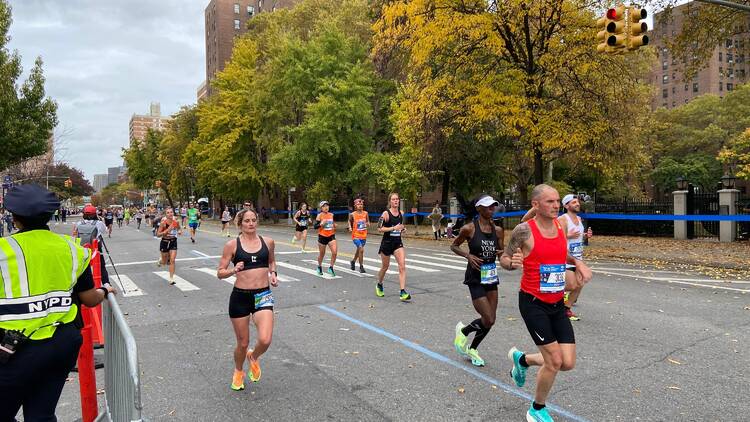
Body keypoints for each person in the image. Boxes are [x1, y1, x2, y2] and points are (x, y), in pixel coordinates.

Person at [0, 184, 116, 421]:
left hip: (12, 349)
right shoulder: (71, 249)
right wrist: (105, 290)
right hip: (61, 345)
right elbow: (89, 298)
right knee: (41, 414)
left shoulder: (4, 250)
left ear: (15, 218)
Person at [499, 184, 592, 422]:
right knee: (554, 361)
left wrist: (578, 263)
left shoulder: (561, 226)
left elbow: (561, 253)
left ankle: (523, 360)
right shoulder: (524, 231)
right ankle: (536, 409)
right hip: (533, 303)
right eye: (549, 201)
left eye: (557, 201)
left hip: (556, 303)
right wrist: (512, 263)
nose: (555, 205)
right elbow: (505, 257)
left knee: (567, 363)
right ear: (536, 205)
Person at [216, 208, 278, 391]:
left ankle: (254, 356)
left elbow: (272, 261)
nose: (251, 224)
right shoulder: (232, 245)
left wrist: (273, 273)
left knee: (265, 339)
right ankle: (238, 371)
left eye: (253, 220)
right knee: (242, 343)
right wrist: (233, 270)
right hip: (240, 297)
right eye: (247, 221)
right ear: (240, 224)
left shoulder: (268, 242)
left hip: (263, 295)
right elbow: (220, 273)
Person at [520, 194, 593, 321]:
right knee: (570, 285)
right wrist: (568, 235)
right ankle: (545, 292)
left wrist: (586, 235)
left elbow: (578, 237)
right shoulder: (562, 220)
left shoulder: (579, 219)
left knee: (580, 283)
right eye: (574, 202)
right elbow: (555, 234)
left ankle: (566, 308)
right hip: (563, 257)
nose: (577, 204)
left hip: (577, 258)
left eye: (578, 202)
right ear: (566, 205)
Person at [451, 194, 504, 367]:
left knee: (491, 320)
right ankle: (464, 331)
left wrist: (503, 254)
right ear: (479, 209)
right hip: (475, 277)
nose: (492, 209)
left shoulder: (498, 230)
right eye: (488, 206)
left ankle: (473, 348)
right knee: (487, 318)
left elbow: (501, 252)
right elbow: (454, 245)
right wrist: (468, 255)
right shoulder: (469, 229)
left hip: (490, 275)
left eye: (493, 206)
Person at [375, 192, 411, 301]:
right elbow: (379, 228)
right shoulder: (385, 214)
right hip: (386, 244)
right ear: (390, 201)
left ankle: (402, 291)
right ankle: (379, 284)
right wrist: (393, 228)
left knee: (402, 266)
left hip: (397, 243)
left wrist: (402, 229)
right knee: (385, 267)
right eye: (394, 199)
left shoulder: (401, 213)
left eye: (397, 199)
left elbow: (400, 226)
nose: (396, 201)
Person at [156, 208, 182, 285]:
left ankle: (171, 278)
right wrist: (167, 231)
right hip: (164, 242)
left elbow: (179, 229)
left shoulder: (176, 222)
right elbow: (158, 234)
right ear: (166, 215)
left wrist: (179, 231)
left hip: (173, 241)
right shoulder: (163, 223)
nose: (170, 214)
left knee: (172, 260)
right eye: (168, 213)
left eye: (171, 212)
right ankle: (161, 260)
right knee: (164, 262)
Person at [314, 201, 337, 276]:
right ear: (321, 208)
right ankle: (319, 266)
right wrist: (321, 224)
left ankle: (331, 267)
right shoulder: (319, 215)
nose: (326, 207)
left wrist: (334, 225)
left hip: (331, 235)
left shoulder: (331, 215)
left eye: (327, 206)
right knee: (322, 254)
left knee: (334, 252)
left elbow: (332, 223)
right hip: (322, 236)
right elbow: (315, 226)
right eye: (324, 206)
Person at [348, 198, 369, 273]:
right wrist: (350, 227)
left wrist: (367, 224)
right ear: (355, 206)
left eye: (361, 204)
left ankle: (353, 261)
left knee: (359, 250)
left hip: (363, 235)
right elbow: (349, 221)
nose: (360, 206)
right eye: (358, 204)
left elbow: (367, 222)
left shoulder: (366, 213)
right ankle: (361, 267)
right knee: (361, 249)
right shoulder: (352, 214)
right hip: (355, 235)